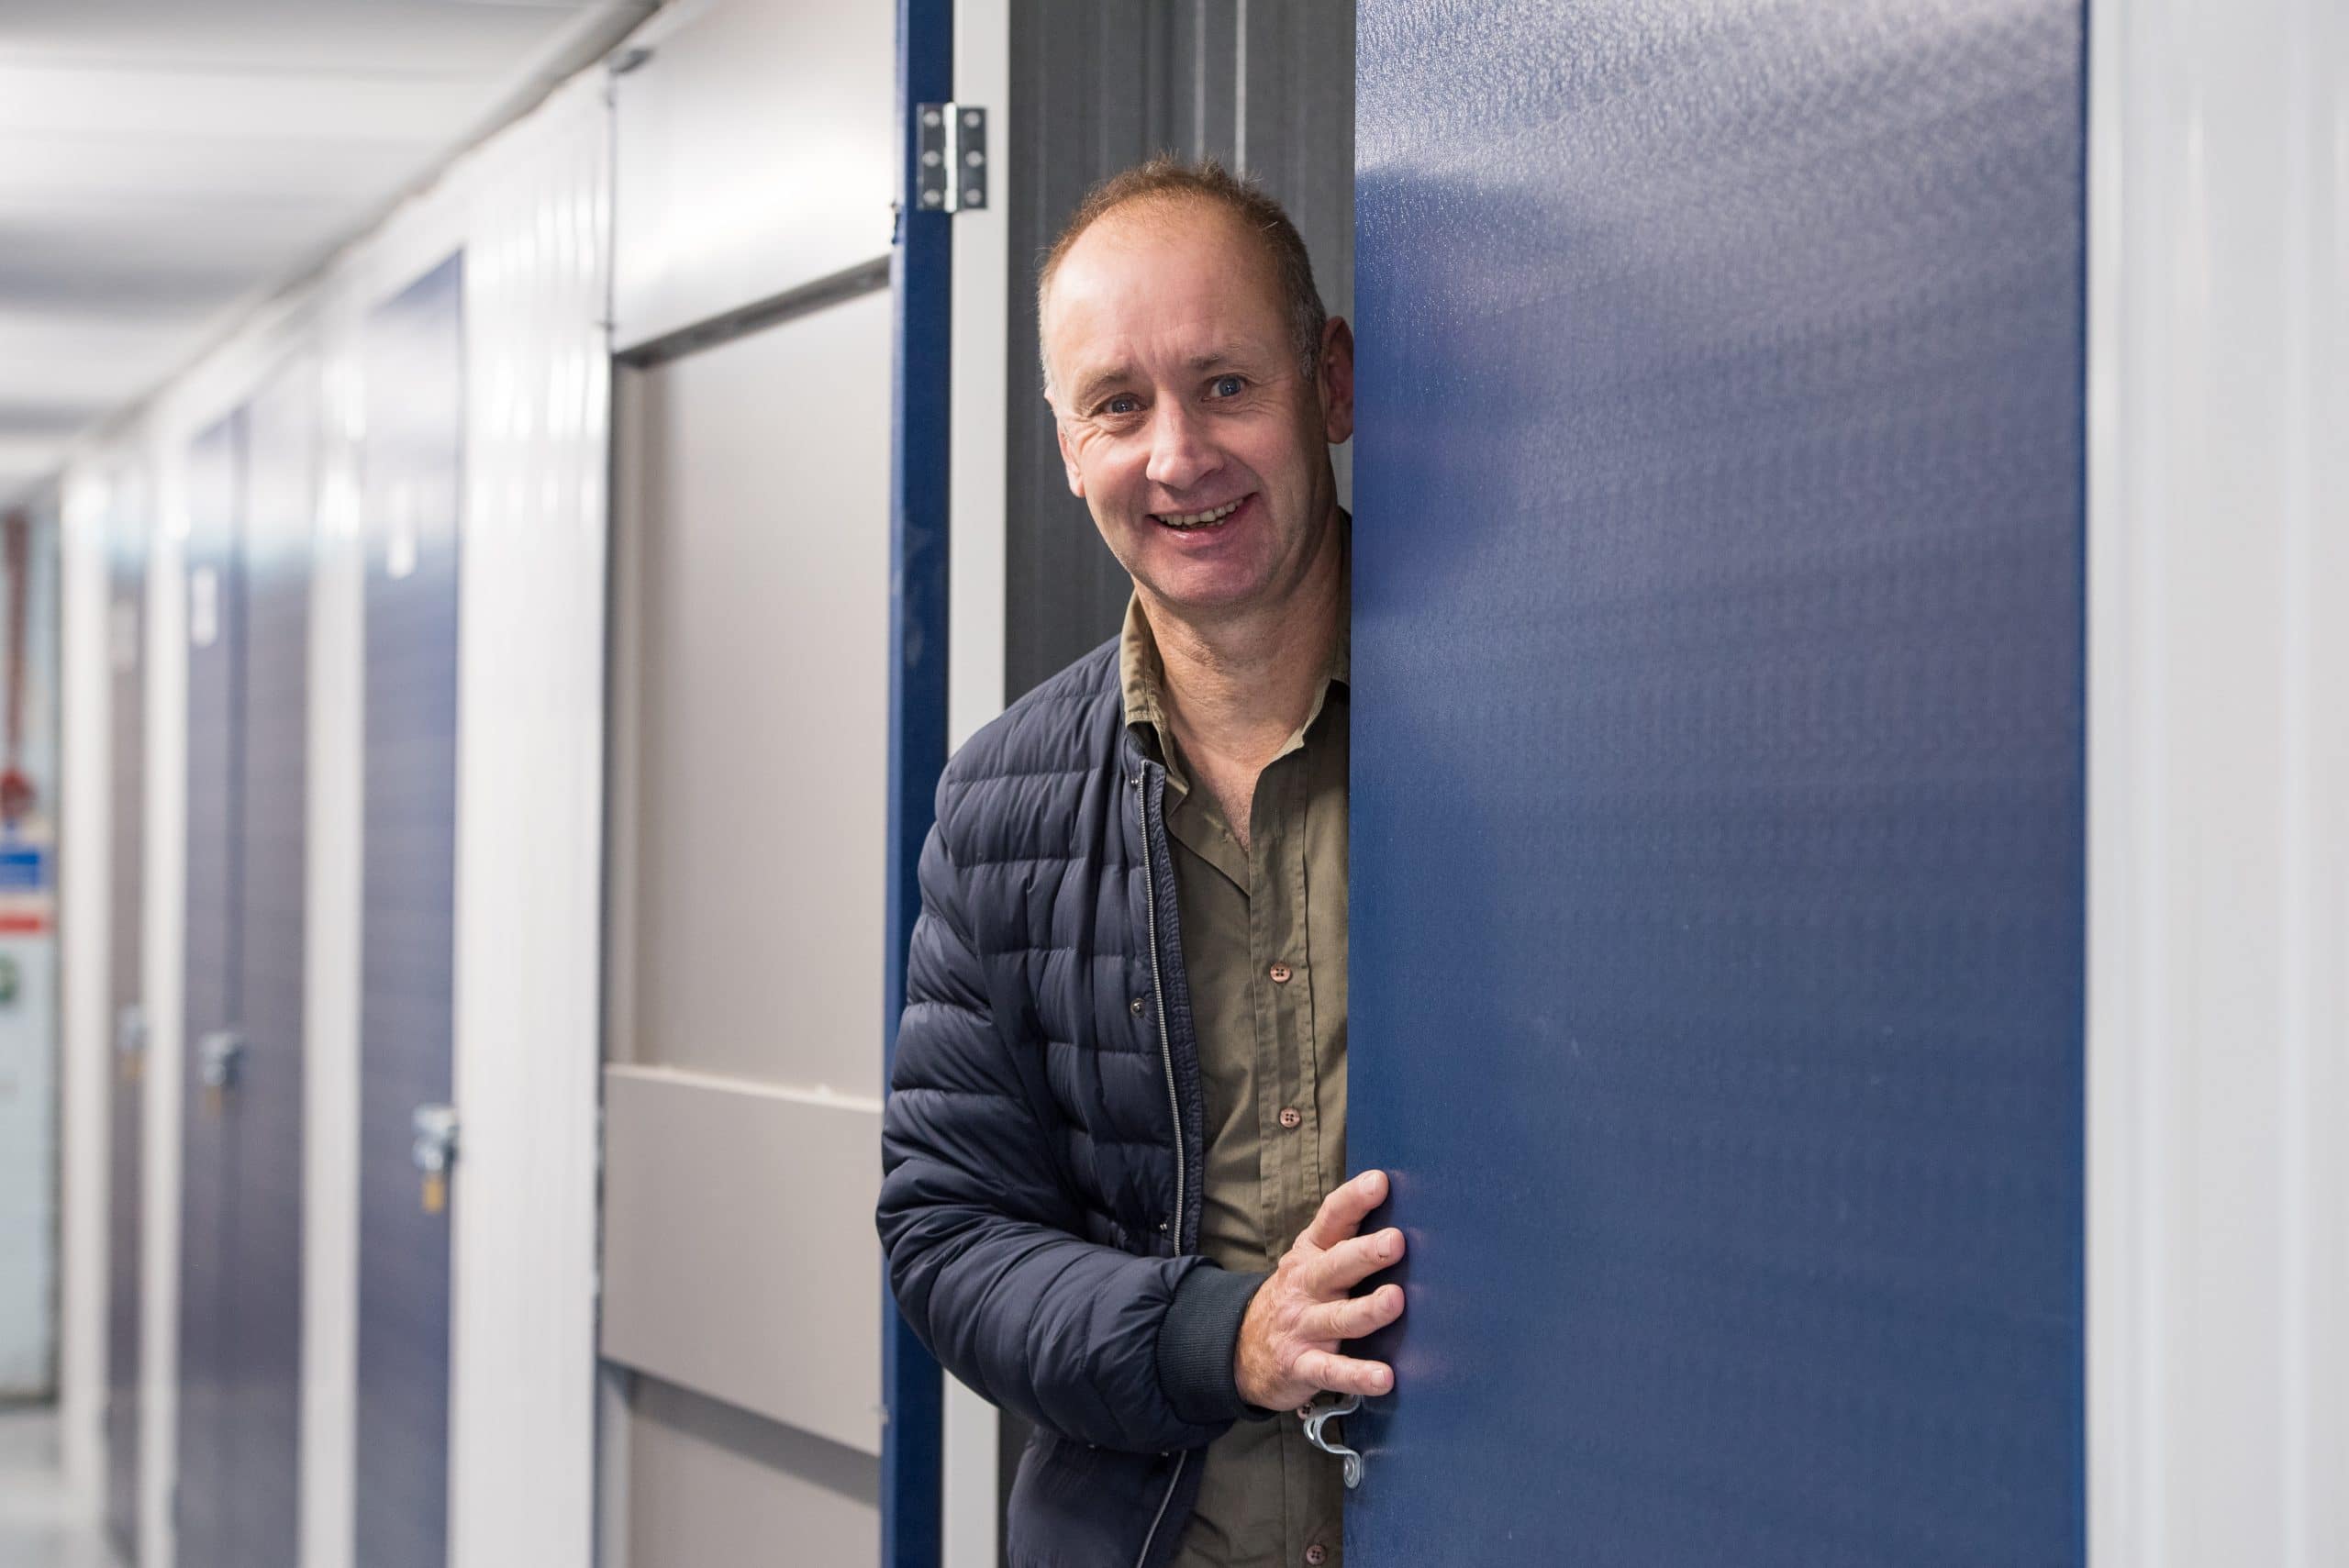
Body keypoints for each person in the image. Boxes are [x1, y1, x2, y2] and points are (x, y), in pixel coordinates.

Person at [876, 156, 1401, 1567]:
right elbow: (949, 1229)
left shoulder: (1531, 732)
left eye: (1227, 384)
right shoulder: (1001, 802)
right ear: (1066, 445)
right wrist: (1222, 1335)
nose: (1177, 454)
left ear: (1331, 385)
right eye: (1119, 404)